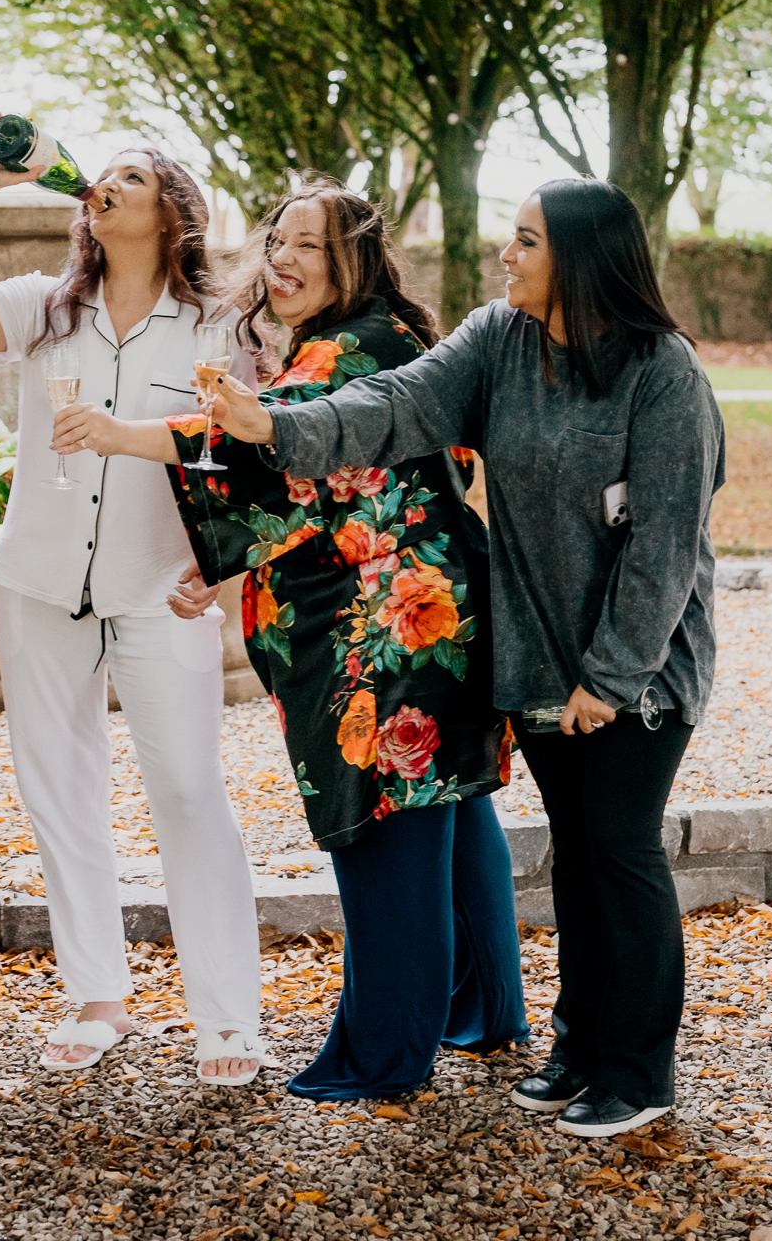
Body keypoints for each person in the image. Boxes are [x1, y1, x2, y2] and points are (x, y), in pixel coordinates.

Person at [202, 178, 724, 1138]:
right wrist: (273, 426)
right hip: (536, 660)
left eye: (525, 241)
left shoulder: (663, 373)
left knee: (619, 849)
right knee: (578, 856)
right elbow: (397, 404)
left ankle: (638, 1070)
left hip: (637, 671)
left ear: (580, 258)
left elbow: (665, 547)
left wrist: (608, 679)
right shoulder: (500, 339)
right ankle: (579, 1042)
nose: (505, 255)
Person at [57, 177, 527, 1100]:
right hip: (424, 616)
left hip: (381, 637)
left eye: (309, 244)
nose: (283, 258)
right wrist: (233, 560)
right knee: (453, 812)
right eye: (277, 239)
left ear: (355, 256)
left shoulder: (349, 351)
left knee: (381, 827)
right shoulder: (388, 337)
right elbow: (326, 485)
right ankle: (481, 1011)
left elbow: (272, 451)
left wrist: (121, 434)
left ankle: (385, 1052)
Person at [0, 123, 265, 1084]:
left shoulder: (220, 326)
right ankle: (95, 996)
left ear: (172, 209)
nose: (103, 184)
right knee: (59, 790)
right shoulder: (44, 309)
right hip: (40, 578)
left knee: (189, 788)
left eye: (131, 175)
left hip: (163, 588)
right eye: (100, 175)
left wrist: (224, 568)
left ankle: (227, 1014)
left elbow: (244, 456)